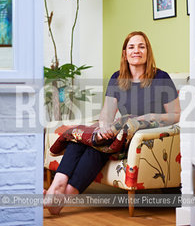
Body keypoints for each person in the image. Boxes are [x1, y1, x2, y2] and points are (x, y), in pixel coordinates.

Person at [44, 31, 180, 214]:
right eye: (131, 47)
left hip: (143, 136)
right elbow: (107, 114)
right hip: (118, 132)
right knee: (84, 139)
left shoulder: (161, 78)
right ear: (125, 53)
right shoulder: (117, 78)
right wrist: (104, 128)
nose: (136, 51)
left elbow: (176, 115)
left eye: (141, 46)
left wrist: (150, 117)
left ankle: (64, 194)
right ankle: (58, 187)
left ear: (148, 51)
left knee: (98, 146)